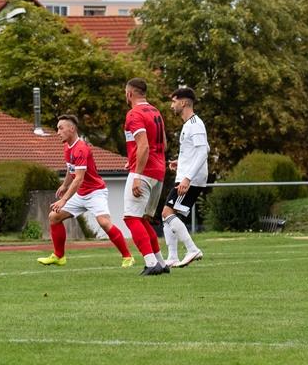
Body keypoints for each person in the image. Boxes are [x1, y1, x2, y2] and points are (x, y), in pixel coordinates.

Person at [36, 114, 134, 268]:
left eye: (61, 128)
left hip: (96, 192)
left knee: (104, 223)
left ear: (72, 128)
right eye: (57, 129)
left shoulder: (81, 148)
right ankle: (59, 256)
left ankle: (128, 257)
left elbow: (79, 179)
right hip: (81, 193)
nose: (58, 132)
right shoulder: (68, 147)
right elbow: (71, 170)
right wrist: (64, 185)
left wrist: (64, 200)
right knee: (54, 217)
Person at [122, 78, 170, 276]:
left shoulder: (135, 114)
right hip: (159, 171)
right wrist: (134, 160)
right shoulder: (155, 111)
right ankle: (161, 262)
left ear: (130, 93)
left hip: (144, 172)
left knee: (131, 218)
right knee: (143, 219)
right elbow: (163, 145)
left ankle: (150, 263)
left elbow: (144, 146)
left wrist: (137, 174)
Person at [161, 87, 207, 267]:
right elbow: (200, 150)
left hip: (191, 179)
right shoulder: (189, 125)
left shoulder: (195, 124)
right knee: (168, 214)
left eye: (174, 101)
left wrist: (187, 177)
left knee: (167, 213)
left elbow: (203, 152)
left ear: (184, 102)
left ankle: (192, 249)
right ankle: (172, 257)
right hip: (187, 176)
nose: (172, 105)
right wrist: (180, 162)